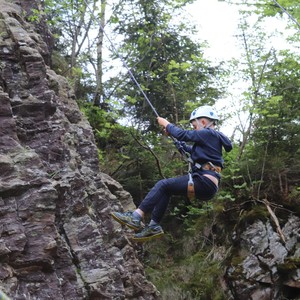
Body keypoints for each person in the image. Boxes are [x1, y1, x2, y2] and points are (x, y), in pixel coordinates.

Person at [111, 105, 232, 242]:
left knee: (163, 184)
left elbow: (183, 134)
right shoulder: (208, 141)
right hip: (206, 183)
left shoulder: (208, 133)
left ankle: (136, 216)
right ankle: (153, 226)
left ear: (203, 122)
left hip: (204, 181)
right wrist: (175, 140)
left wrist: (167, 124)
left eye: (194, 126)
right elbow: (188, 149)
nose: (194, 129)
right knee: (167, 190)